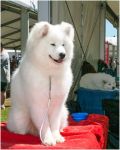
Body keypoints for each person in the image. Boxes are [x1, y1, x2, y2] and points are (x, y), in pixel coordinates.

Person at [0, 43, 10, 109]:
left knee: (2, 91)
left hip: (3, 77)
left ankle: (2, 105)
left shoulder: (4, 54)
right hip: (2, 76)